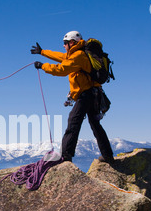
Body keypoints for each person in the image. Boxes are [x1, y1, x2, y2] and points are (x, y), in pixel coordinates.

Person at [31, 30, 114, 164]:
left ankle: (66, 155)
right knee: (95, 125)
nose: (63, 46)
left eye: (65, 43)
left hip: (86, 95)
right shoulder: (78, 55)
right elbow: (61, 57)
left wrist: (42, 66)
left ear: (71, 43)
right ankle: (108, 155)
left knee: (73, 122)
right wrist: (42, 52)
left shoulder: (78, 56)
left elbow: (62, 70)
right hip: (94, 94)